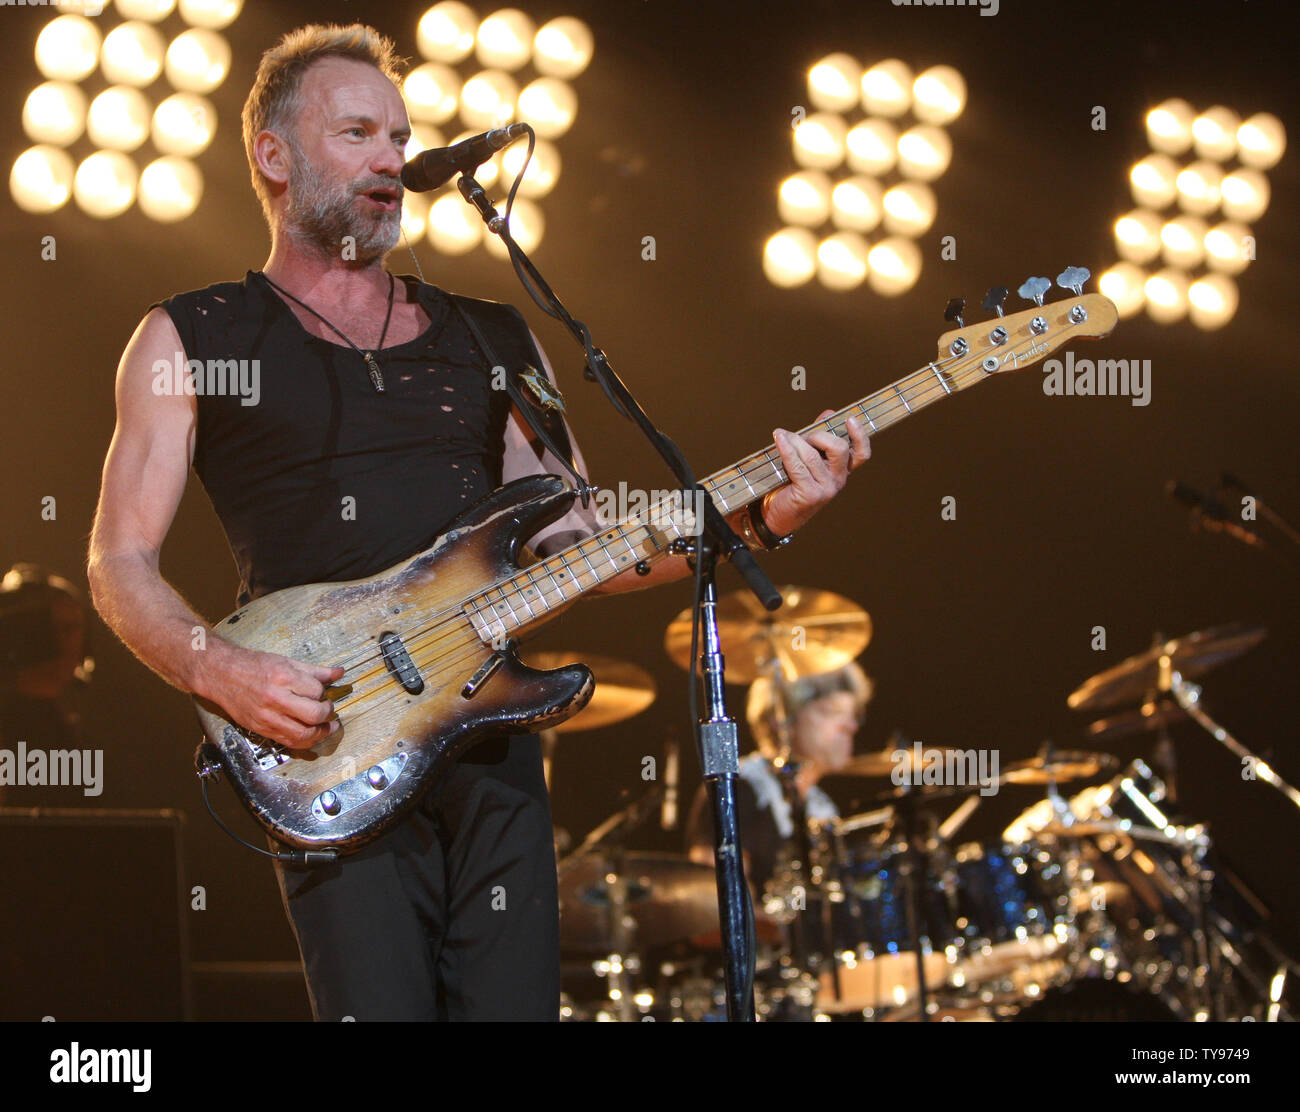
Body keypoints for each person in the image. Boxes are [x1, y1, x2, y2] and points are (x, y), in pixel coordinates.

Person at [86, 22, 869, 1021]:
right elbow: (119, 559)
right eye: (358, 133)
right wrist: (215, 666)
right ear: (271, 156)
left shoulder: (489, 334)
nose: (392, 159)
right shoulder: (190, 334)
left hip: (493, 743)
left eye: (400, 136)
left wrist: (759, 514)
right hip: (332, 737)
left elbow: (577, 540)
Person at [686, 662, 873, 891]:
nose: (850, 726)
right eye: (831, 712)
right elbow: (711, 898)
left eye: (853, 715)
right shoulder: (737, 789)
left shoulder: (823, 807)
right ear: (781, 720)